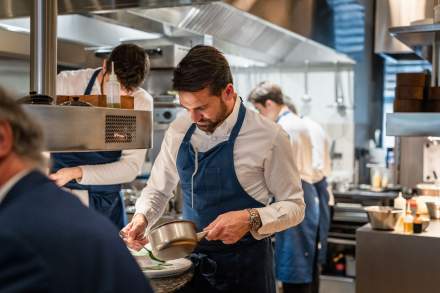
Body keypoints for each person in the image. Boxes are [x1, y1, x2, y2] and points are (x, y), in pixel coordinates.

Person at [121, 45, 305, 293]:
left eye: (201, 107)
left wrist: (250, 218)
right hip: (192, 266)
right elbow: (158, 189)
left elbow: (295, 206)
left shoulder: (269, 137)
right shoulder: (179, 131)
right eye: (187, 108)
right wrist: (141, 218)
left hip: (247, 271)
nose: (194, 118)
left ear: (227, 92)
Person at [0, 91, 153, 293]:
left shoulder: (16, 232)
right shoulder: (50, 209)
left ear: (2, 138)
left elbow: (131, 168)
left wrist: (77, 172)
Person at [49, 43, 153, 229]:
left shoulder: (142, 102)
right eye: (115, 85)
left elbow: (130, 168)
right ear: (105, 66)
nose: (119, 95)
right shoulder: (65, 83)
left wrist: (76, 172)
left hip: (106, 203)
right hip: (60, 196)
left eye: (128, 90)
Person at [249, 82, 320, 293]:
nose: (260, 116)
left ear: (269, 104)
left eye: (260, 110)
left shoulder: (286, 127)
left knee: (295, 270)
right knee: (302, 267)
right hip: (302, 193)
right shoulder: (295, 123)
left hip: (295, 196)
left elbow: (283, 172)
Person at [286, 95, 332, 265]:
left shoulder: (300, 127)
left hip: (311, 191)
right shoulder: (311, 125)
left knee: (305, 256)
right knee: (311, 254)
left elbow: (313, 169)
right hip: (316, 191)